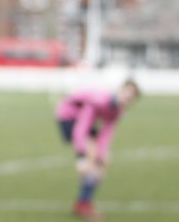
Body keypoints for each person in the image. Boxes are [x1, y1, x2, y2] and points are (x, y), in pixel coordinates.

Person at [55, 79, 141, 221]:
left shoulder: (118, 111)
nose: (127, 99)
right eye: (126, 94)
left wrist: (102, 154)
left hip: (82, 120)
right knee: (91, 159)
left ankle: (83, 202)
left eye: (131, 98)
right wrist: (81, 156)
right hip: (68, 116)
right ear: (120, 90)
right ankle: (83, 205)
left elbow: (106, 134)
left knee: (102, 162)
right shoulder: (99, 100)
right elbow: (81, 128)